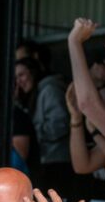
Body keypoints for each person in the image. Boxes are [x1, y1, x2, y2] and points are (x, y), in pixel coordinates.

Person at [14, 57, 73, 193]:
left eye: (22, 75)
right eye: (16, 78)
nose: (19, 81)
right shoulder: (33, 94)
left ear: (33, 73)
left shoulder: (49, 89)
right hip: (47, 161)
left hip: (58, 162)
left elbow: (61, 124)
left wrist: (32, 133)